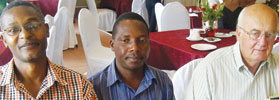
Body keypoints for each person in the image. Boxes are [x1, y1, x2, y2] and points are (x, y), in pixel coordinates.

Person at [0, 1, 97, 99]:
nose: (25, 35)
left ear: (47, 30)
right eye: (13, 30)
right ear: (4, 39)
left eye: (33, 26)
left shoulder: (79, 87)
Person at [185, 4, 279, 100]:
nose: (263, 42)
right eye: (255, 34)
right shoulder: (210, 70)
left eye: (269, 35)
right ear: (238, 33)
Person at [88, 12, 175, 100]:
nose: (135, 48)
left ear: (149, 44)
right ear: (112, 45)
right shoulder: (94, 87)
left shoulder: (163, 81)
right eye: (125, 40)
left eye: (142, 40)